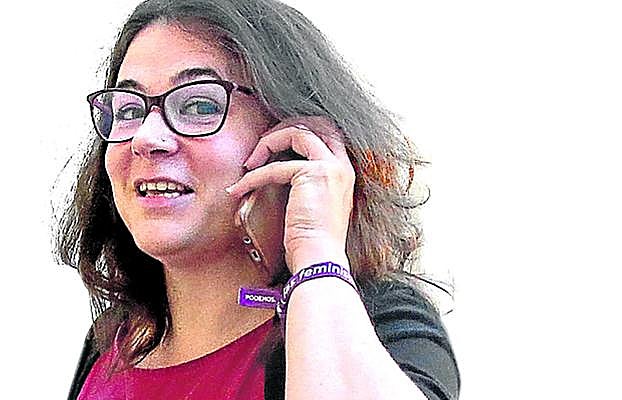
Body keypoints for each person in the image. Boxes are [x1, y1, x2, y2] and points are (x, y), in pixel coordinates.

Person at [55, 0, 460, 399]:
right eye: (128, 110)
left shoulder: (378, 324)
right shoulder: (113, 341)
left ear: (291, 140)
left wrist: (316, 254)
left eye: (198, 105)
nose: (145, 138)